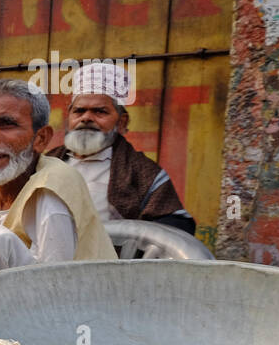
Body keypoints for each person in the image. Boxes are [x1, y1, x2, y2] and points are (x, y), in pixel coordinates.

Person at [0, 79, 116, 280]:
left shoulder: (51, 191)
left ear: (40, 138)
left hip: (67, 300)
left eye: (6, 124)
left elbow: (53, 285)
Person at [45, 62, 195, 235]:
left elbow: (177, 226)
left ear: (121, 122)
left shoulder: (141, 171)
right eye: (79, 111)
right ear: (69, 118)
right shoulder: (47, 162)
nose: (86, 118)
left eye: (100, 111)